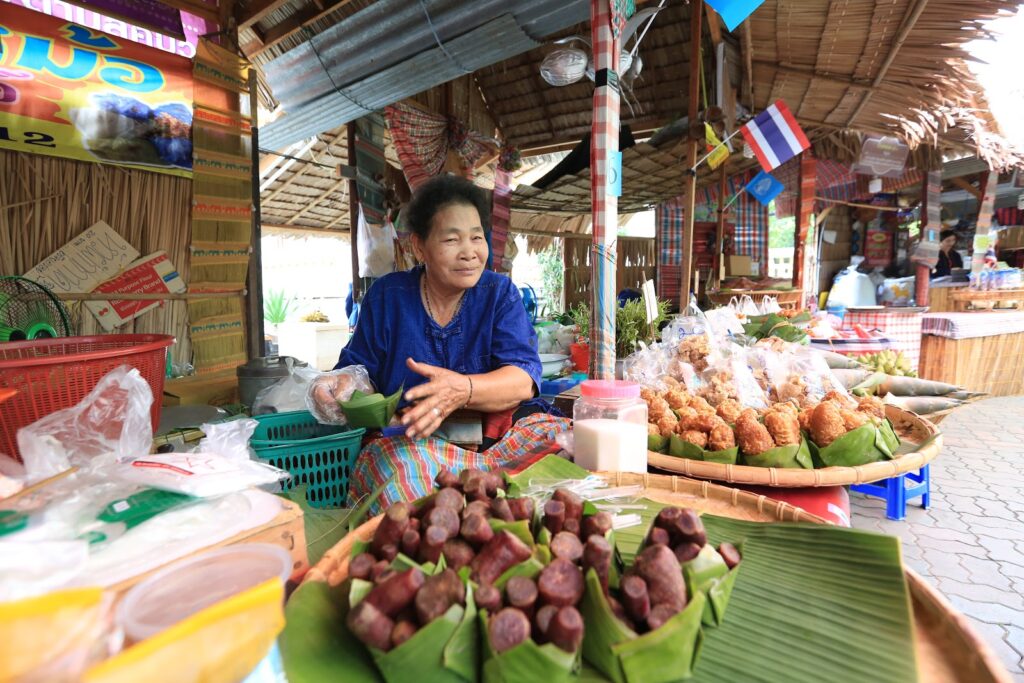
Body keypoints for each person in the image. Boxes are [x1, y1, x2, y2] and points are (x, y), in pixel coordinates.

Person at [311, 175, 568, 510]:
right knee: (414, 499)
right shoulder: (387, 297)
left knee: (572, 446)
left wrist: (462, 390)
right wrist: (338, 386)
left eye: (477, 238)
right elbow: (358, 372)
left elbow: (522, 380)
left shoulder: (499, 294)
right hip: (412, 444)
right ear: (420, 247)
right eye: (452, 240)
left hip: (497, 439)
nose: (470, 253)